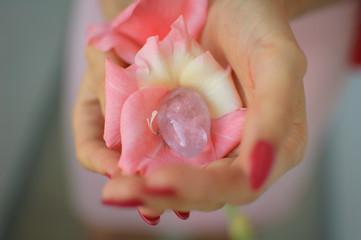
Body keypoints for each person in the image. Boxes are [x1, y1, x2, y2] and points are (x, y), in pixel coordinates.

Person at [68, 0, 359, 233]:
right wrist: (118, 14)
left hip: (294, 21)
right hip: (138, 23)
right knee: (116, 224)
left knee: (234, 191)